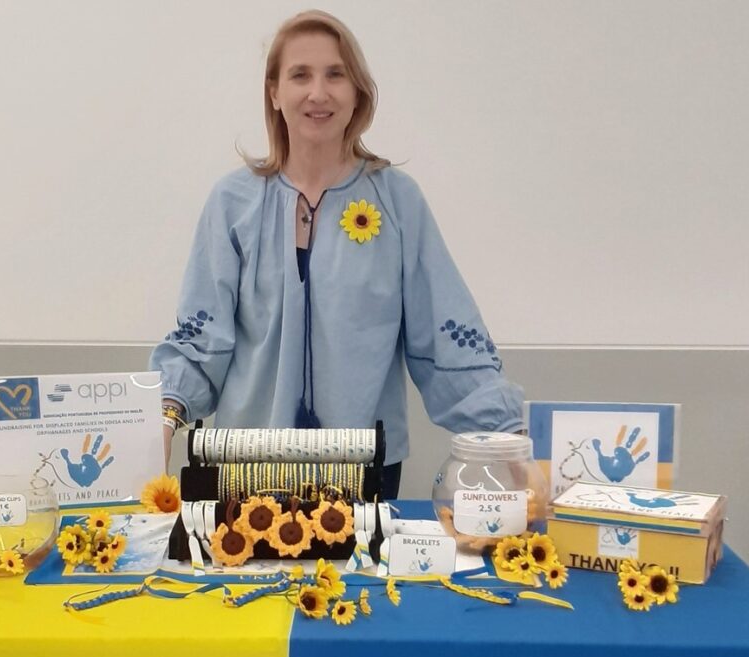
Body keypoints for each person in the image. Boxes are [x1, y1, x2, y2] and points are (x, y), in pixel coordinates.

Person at [150, 9, 524, 498]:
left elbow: (447, 338)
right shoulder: (232, 203)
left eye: (335, 74)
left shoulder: (398, 202)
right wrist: (162, 418)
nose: (318, 92)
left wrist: (509, 438)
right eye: (300, 75)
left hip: (363, 471)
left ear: (357, 92)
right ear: (274, 92)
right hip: (244, 468)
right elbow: (201, 341)